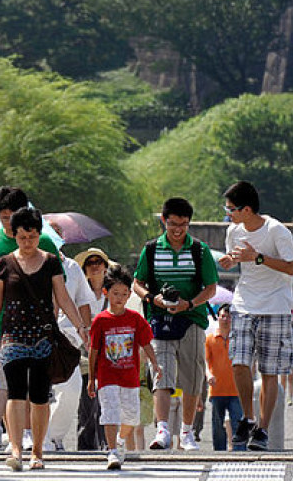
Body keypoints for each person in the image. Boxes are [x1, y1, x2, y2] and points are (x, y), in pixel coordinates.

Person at [0, 207, 87, 472]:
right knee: (15, 394)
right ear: (14, 236)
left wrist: (80, 326)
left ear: (39, 234)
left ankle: (37, 451)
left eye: (32, 236)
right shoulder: (4, 263)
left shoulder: (51, 261)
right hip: (12, 337)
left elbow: (63, 297)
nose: (27, 243)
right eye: (21, 237)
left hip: (43, 337)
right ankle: (16, 449)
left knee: (40, 396)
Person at [0, 186, 60, 451]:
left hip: (36, 327)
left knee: (30, 384)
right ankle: (0, 429)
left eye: (11, 216)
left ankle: (26, 433)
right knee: (1, 380)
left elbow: (57, 290)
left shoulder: (45, 243)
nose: (8, 223)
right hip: (1, 326)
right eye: (3, 217)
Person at [132, 197, 218, 451]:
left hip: (191, 319)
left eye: (183, 224)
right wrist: (152, 298)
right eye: (172, 224)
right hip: (160, 319)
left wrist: (189, 304)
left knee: (192, 378)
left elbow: (211, 288)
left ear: (189, 223)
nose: (178, 229)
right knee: (162, 373)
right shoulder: (150, 249)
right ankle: (163, 430)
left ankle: (187, 432)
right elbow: (138, 283)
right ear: (164, 221)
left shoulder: (200, 250)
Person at [218, 180, 293, 451]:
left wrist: (258, 258)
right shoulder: (233, 231)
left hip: (275, 305)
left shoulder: (277, 232)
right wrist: (231, 260)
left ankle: (261, 429)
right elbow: (238, 258)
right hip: (244, 302)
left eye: (231, 210)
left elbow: (291, 267)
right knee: (239, 362)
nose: (229, 215)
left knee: (269, 371)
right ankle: (247, 419)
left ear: (247, 209)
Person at [88, 264, 161, 470]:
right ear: (106, 293)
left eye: (124, 294)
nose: (119, 298)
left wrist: (155, 364)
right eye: (115, 293)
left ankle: (119, 441)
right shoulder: (100, 321)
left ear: (129, 294)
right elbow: (94, 350)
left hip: (130, 377)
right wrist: (91, 379)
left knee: (131, 417)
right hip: (107, 376)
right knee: (110, 412)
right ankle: (112, 451)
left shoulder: (135, 319)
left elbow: (146, 342)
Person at [43, 224, 94, 452]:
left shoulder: (72, 267)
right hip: (39, 336)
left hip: (67, 337)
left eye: (57, 235)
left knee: (72, 390)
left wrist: (85, 331)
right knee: (39, 391)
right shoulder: (32, 265)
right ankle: (38, 437)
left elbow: (83, 300)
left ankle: (54, 436)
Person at [74, 247, 111, 451]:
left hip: (109, 354)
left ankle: (107, 443)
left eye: (99, 262)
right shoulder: (80, 292)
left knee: (107, 401)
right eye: (90, 263)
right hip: (85, 353)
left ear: (106, 267)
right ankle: (86, 446)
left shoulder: (113, 291)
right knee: (87, 402)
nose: (95, 266)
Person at [205, 304, 243, 451]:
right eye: (223, 316)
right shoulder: (210, 339)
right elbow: (206, 362)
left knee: (238, 424)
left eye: (229, 316)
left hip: (236, 390)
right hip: (217, 390)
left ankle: (240, 453)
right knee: (217, 426)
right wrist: (209, 375)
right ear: (218, 318)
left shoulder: (238, 339)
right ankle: (219, 453)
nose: (226, 319)